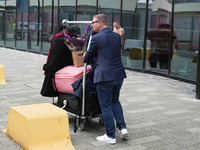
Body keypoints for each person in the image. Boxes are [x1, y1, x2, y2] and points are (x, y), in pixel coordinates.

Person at [83, 14, 128, 144]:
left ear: (100, 23)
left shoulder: (96, 38)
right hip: (118, 74)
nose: (91, 25)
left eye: (93, 22)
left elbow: (86, 58)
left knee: (106, 105)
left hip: (104, 76)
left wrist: (86, 54)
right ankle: (122, 128)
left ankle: (110, 136)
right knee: (115, 101)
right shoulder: (116, 36)